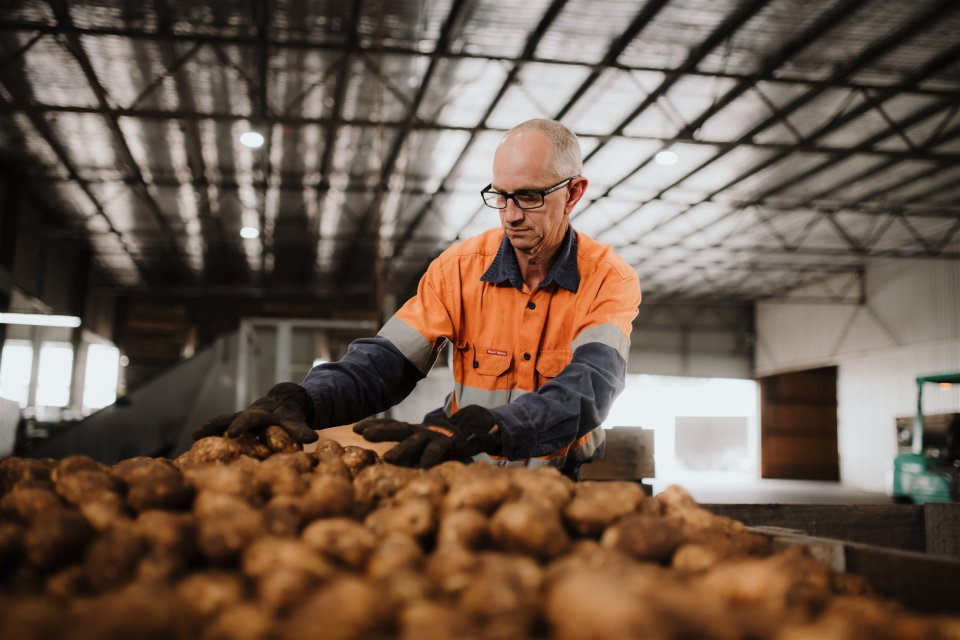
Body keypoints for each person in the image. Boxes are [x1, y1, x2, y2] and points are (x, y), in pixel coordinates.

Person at [193, 118, 641, 479]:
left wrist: (495, 427)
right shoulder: (459, 268)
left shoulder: (608, 279)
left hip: (555, 476)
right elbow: (384, 363)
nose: (511, 215)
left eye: (528, 197)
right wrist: (308, 400)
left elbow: (591, 386)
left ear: (574, 193)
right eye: (500, 196)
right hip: (460, 468)